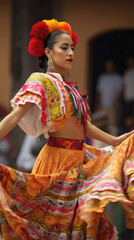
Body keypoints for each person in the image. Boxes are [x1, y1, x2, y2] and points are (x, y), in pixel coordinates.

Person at [0, 19, 134, 240]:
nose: (71, 52)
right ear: (48, 53)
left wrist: (115, 141)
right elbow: (14, 117)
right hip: (56, 162)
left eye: (72, 47)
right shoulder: (40, 81)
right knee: (54, 228)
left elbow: (86, 126)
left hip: (81, 161)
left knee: (83, 227)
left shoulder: (72, 89)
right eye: (64, 47)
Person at [96, 59, 123, 135]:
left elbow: (121, 91)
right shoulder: (102, 78)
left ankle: (113, 143)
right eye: (107, 65)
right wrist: (98, 104)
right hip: (103, 105)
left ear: (113, 66)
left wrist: (116, 101)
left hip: (113, 106)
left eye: (110, 65)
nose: (109, 67)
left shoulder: (117, 78)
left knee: (112, 126)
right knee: (102, 125)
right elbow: (99, 92)